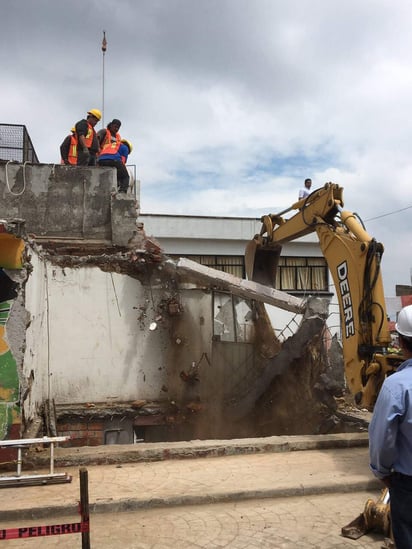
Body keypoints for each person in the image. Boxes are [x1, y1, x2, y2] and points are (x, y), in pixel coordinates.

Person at [369, 304, 412, 548]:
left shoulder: (396, 387)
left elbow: (382, 440)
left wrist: (382, 472)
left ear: (402, 343)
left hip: (408, 484)